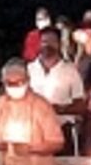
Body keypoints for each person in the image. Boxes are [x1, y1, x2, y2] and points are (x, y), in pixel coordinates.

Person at [28, 27, 86, 155]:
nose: (47, 45)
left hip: (61, 129)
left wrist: (60, 109)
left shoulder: (70, 71)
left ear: (59, 44)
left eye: (52, 41)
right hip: (33, 130)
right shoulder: (29, 70)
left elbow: (81, 104)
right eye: (44, 41)